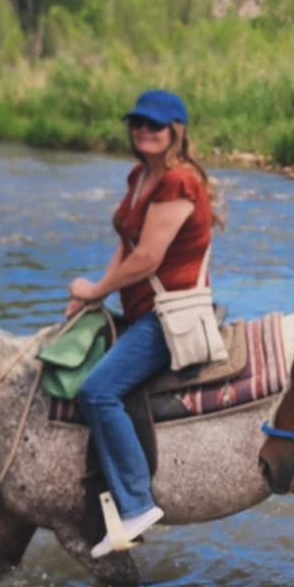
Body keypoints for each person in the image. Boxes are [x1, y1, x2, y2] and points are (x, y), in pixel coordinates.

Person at [69, 89, 216, 557]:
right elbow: (129, 246)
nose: (143, 131)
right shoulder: (140, 176)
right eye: (137, 123)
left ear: (176, 130)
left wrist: (95, 290)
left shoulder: (178, 182)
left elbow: (150, 257)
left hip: (167, 315)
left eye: (155, 124)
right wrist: (97, 294)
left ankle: (136, 505)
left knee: (97, 391)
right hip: (138, 310)